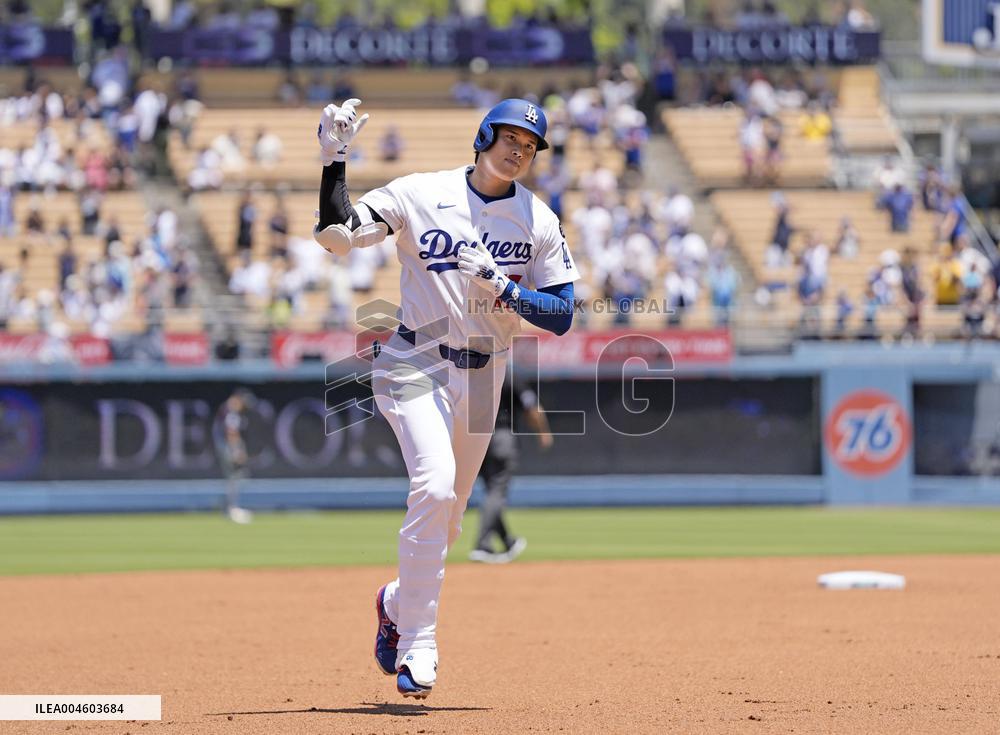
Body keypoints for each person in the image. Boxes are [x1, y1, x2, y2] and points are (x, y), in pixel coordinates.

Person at [312, 98, 578, 700]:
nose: (519, 151)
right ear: (484, 134)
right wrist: (335, 160)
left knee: (450, 520)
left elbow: (561, 316)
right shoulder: (420, 192)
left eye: (531, 146)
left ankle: (396, 602)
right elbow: (337, 237)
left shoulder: (537, 219)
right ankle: (419, 644)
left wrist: (505, 286)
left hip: (485, 377)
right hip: (414, 360)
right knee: (432, 488)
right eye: (511, 137)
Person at [468, 373, 553, 564]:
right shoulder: (510, 376)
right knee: (496, 493)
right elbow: (532, 408)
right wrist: (544, 432)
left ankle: (508, 541)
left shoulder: (473, 375)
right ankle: (482, 545)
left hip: (475, 440)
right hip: (501, 437)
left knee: (492, 493)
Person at [215, 389, 254, 524]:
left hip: (224, 446)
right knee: (235, 477)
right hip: (228, 448)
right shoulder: (231, 411)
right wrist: (237, 451)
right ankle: (232, 508)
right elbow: (231, 433)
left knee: (233, 478)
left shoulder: (226, 409)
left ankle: (229, 507)